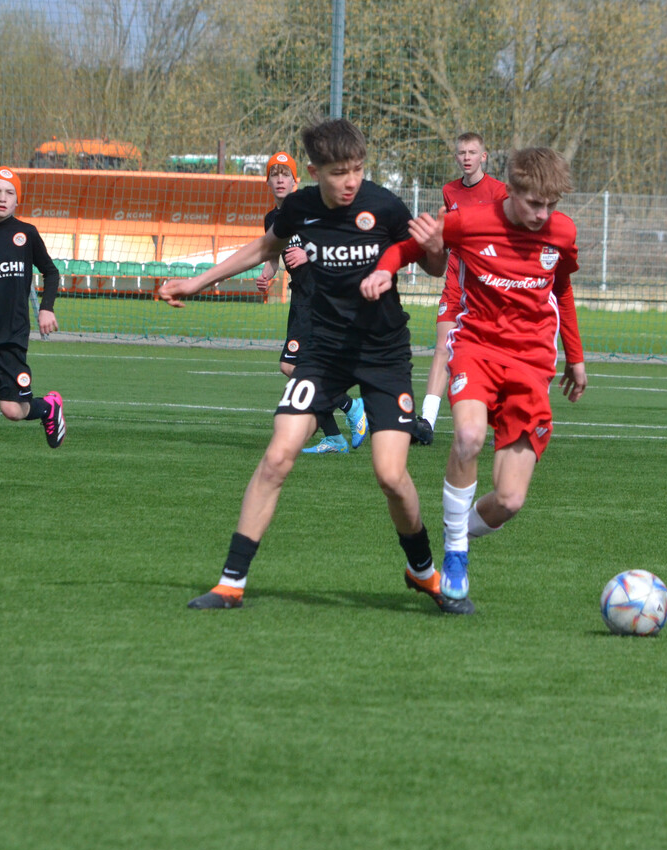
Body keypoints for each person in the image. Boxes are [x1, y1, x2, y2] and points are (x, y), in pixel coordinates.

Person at [158, 118, 473, 615]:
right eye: (339, 172)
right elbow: (264, 248)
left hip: (383, 351)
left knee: (391, 474)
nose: (350, 181)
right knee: (278, 456)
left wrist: (434, 244)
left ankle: (423, 571)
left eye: (357, 170)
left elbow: (433, 267)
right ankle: (230, 583)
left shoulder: (386, 206)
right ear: (314, 170)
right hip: (323, 353)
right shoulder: (299, 208)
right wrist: (198, 282)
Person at [361, 147, 588, 607]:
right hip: (476, 348)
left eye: (551, 205)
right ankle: (456, 555)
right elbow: (408, 247)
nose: (543, 215)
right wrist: (385, 270)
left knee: (509, 501)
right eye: (533, 204)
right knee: (467, 437)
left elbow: (561, 288)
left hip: (532, 364)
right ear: (512, 190)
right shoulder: (471, 220)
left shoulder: (561, 232)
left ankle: (452, 529)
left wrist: (575, 357)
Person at [257, 151, 367, 454]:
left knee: (291, 366)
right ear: (267, 181)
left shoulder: (310, 209)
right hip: (301, 297)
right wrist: (266, 275)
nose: (280, 179)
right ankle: (333, 436)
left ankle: (351, 406)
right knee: (307, 369)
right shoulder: (271, 218)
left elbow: (338, 244)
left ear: (296, 180)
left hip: (320, 296)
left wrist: (309, 254)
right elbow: (273, 258)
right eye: (274, 174)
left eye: (285, 174)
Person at [417, 132, 507, 443]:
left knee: (490, 351)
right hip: (457, 279)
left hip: (488, 284)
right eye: (461, 152)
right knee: (443, 346)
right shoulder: (449, 191)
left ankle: (500, 416)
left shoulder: (499, 192)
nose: (466, 157)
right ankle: (426, 422)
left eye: (472, 152)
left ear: (484, 156)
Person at [0, 166, 66, 447]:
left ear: (17, 200)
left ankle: (48, 408)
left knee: (12, 410)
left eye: (9, 193)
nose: (2, 197)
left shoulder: (25, 234)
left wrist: (46, 307)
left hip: (10, 336)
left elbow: (51, 272)